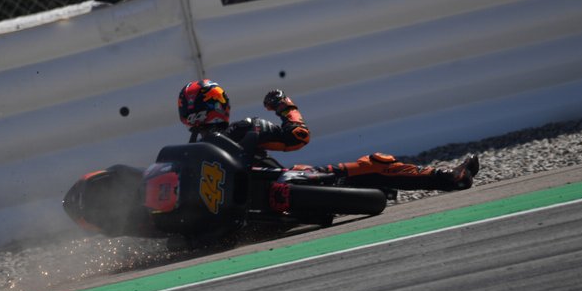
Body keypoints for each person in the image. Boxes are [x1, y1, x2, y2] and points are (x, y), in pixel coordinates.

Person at [177, 79, 479, 192]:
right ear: (220, 105)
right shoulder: (242, 128)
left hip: (245, 206)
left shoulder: (184, 154)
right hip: (277, 186)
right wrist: (285, 106)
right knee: (373, 164)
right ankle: (448, 177)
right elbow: (298, 136)